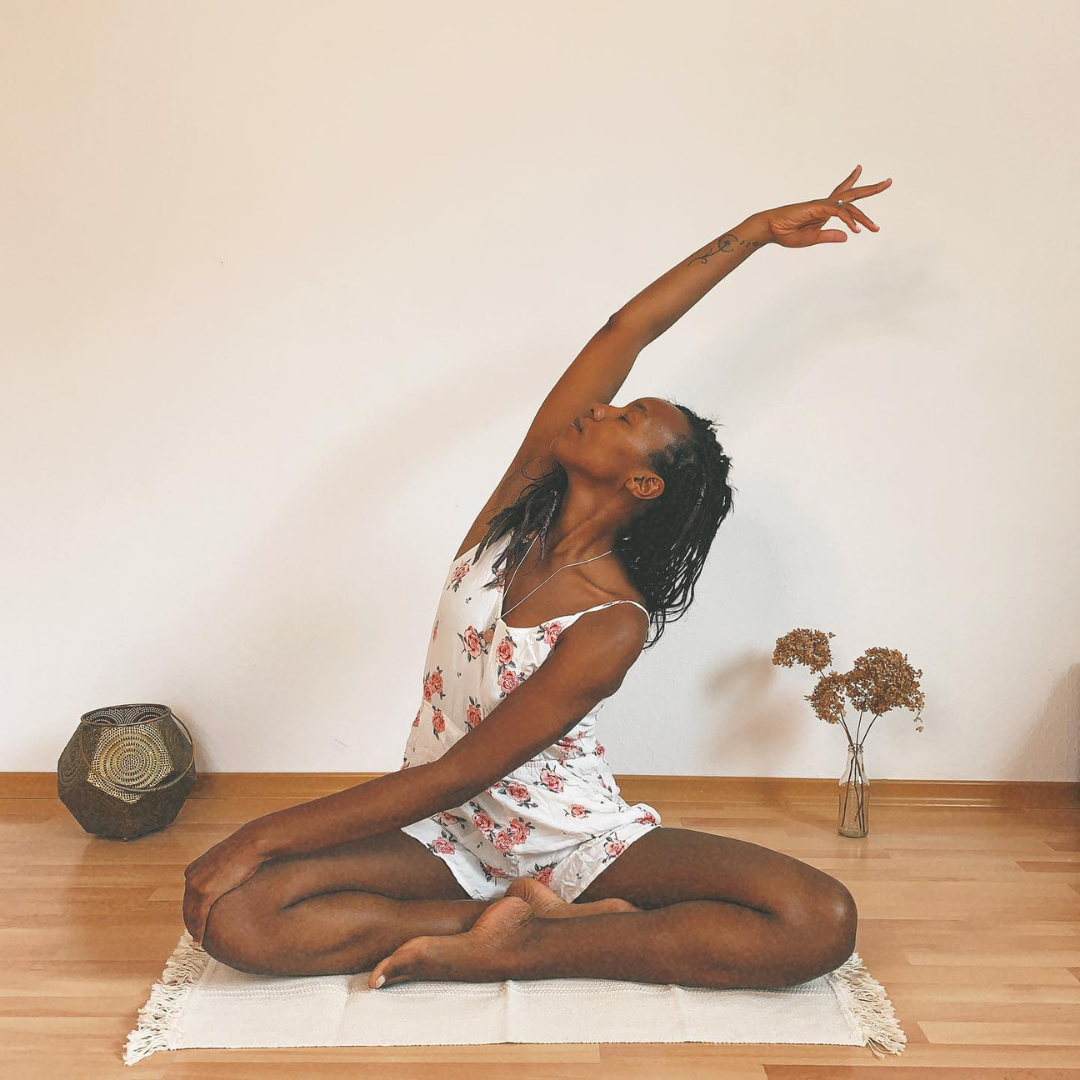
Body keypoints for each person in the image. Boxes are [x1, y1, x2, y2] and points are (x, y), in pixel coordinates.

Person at [184, 165, 893, 993]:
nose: (599, 408)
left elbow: (460, 768)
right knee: (235, 920)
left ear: (643, 485)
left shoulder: (611, 620)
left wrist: (261, 835)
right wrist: (753, 231)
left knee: (817, 920)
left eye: (625, 420)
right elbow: (622, 332)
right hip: (446, 831)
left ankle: (529, 944)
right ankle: (491, 925)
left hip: (564, 840)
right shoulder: (508, 519)